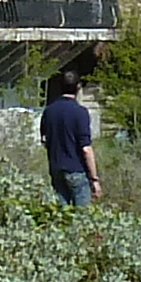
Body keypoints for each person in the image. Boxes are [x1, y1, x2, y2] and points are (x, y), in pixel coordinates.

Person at [41, 72, 100, 209]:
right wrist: (94, 179)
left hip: (56, 168)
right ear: (78, 87)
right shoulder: (80, 112)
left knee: (63, 216)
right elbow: (85, 148)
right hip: (76, 169)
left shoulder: (49, 111)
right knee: (83, 217)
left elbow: (45, 140)